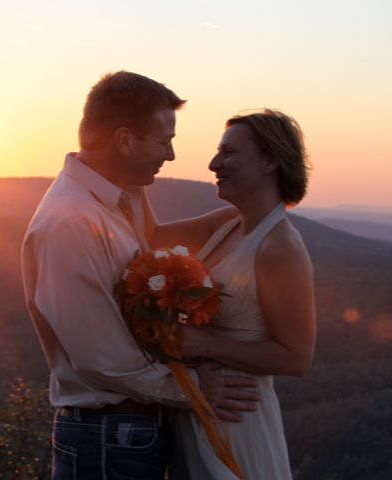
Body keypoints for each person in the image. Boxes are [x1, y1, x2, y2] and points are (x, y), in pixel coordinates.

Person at [21, 71, 259, 480]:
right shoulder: (71, 221)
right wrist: (195, 392)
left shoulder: (112, 202)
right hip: (109, 436)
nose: (169, 156)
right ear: (125, 139)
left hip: (124, 433)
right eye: (165, 141)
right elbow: (101, 359)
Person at [143, 109, 316, 479]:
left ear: (270, 160)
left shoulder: (280, 247)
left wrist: (205, 346)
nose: (213, 163)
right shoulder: (227, 224)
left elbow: (296, 358)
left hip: (237, 420)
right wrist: (135, 168)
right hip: (200, 410)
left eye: (228, 152)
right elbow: (148, 236)